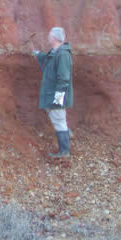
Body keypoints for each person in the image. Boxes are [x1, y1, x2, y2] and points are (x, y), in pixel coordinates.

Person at [32, 27, 73, 158]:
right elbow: (49, 59)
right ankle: (67, 133)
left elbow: (64, 77)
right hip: (51, 94)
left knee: (59, 120)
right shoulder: (56, 52)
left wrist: (59, 96)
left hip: (56, 95)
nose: (48, 37)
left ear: (54, 38)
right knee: (57, 117)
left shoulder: (63, 54)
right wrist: (38, 54)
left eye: (49, 36)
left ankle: (64, 152)